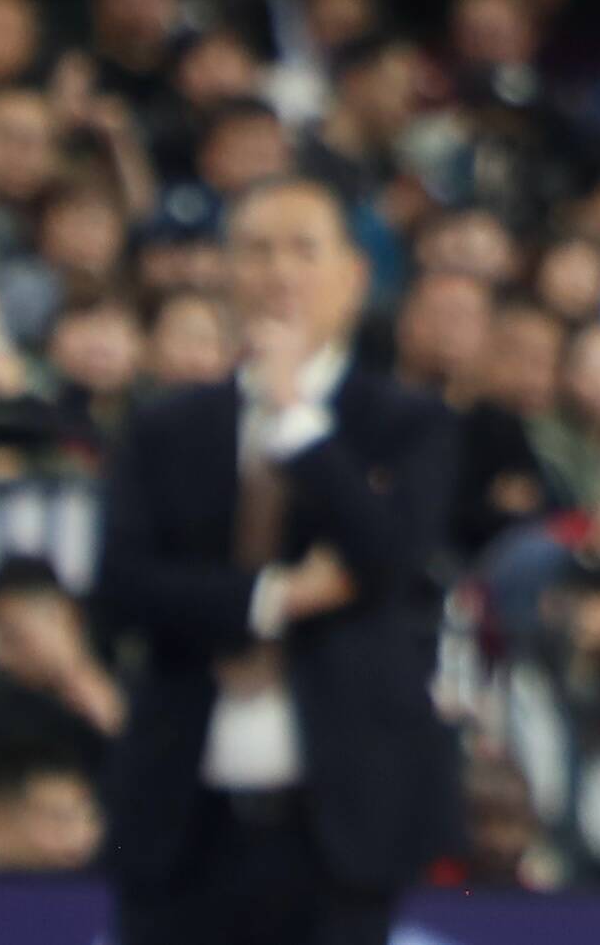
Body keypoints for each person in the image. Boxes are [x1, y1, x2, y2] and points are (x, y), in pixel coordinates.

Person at [96, 179, 460, 945]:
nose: (279, 272)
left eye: (303, 249)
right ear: (225, 271)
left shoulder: (405, 422)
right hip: (182, 816)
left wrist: (296, 420)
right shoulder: (165, 426)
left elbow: (388, 562)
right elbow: (123, 587)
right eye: (256, 250)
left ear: (353, 275)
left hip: (339, 824)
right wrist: (273, 597)